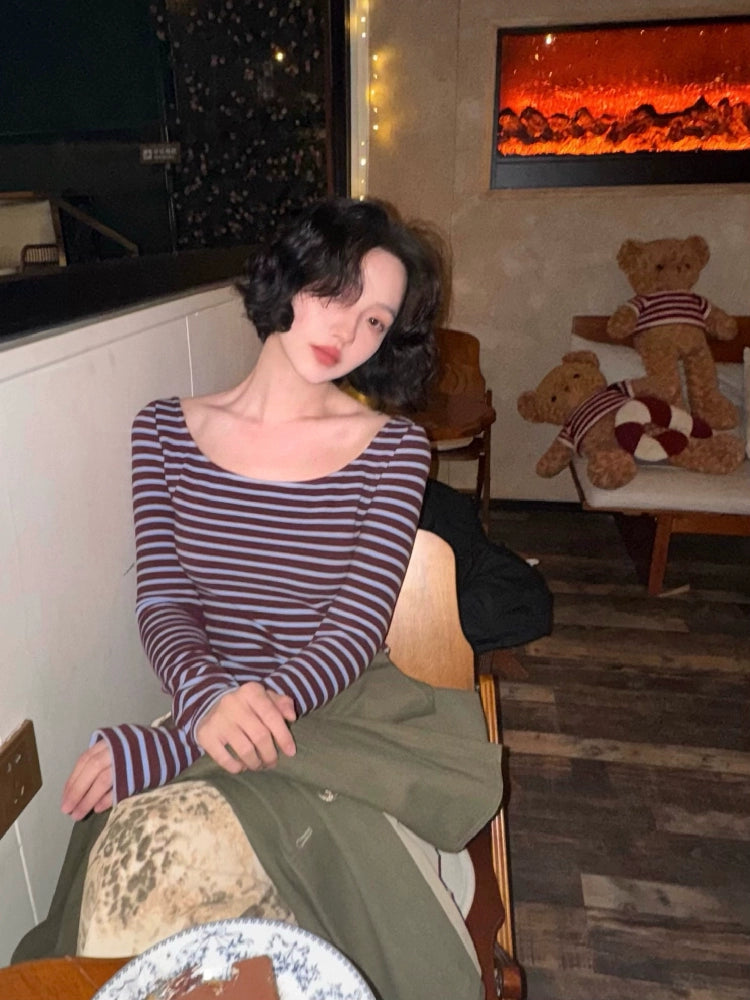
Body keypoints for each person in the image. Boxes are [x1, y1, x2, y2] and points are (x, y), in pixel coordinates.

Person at [17, 198, 502, 1000]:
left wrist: (177, 743)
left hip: (338, 714)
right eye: (337, 291)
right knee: (138, 877)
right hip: (210, 702)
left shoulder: (394, 448)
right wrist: (203, 704)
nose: (348, 331)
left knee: (159, 850)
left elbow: (353, 632)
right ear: (292, 275)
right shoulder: (162, 431)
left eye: (376, 320)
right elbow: (165, 600)